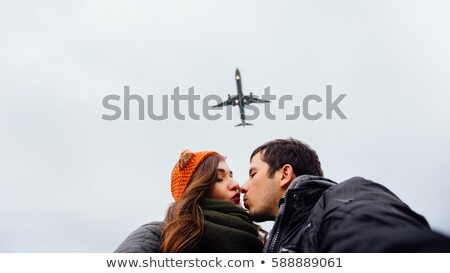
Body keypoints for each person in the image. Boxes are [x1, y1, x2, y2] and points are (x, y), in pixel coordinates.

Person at [240, 138, 450, 252]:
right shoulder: (274, 242)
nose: (243, 186)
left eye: (253, 173)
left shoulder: (344, 198)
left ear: (285, 174)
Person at [115, 149, 264, 253]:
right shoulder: (163, 235)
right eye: (219, 179)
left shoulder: (261, 241)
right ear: (198, 190)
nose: (235, 184)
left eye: (231, 176)